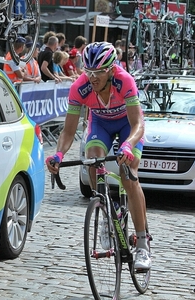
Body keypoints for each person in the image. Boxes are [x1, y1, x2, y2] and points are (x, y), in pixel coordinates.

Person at [45, 42, 151, 270]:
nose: (92, 77)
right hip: (100, 125)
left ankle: (142, 244)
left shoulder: (125, 81)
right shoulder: (79, 87)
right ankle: (105, 212)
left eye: (98, 73)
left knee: (129, 175)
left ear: (111, 70)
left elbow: (138, 124)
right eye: (88, 72)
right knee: (92, 159)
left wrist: (128, 146)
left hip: (128, 127)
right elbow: (69, 130)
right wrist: (59, 154)